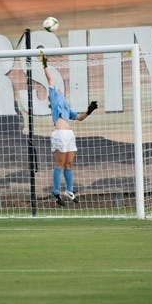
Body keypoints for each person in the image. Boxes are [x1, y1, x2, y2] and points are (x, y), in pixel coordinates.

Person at [41, 53, 97, 206]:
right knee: (59, 164)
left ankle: (69, 190)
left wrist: (89, 111)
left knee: (68, 165)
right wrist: (44, 65)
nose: (58, 89)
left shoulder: (66, 107)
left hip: (69, 135)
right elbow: (50, 80)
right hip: (59, 134)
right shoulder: (54, 97)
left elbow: (79, 117)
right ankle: (56, 192)